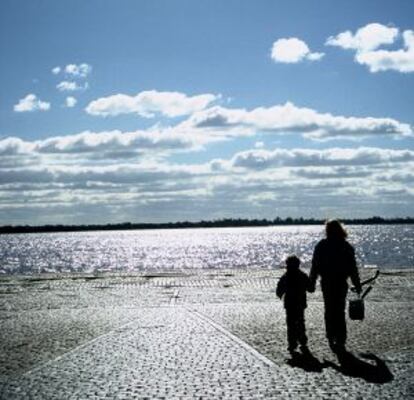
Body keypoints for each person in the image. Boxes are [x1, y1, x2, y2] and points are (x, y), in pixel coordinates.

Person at [310, 219, 362, 355]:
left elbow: (315, 266)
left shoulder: (321, 245)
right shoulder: (346, 246)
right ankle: (341, 338)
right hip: (340, 282)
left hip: (327, 282)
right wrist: (357, 284)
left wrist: (311, 282)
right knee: (339, 311)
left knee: (329, 310)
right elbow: (353, 269)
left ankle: (331, 335)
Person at [277, 255, 313, 356]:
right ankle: (302, 340)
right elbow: (310, 288)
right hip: (300, 302)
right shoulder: (302, 275)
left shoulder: (286, 276)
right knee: (300, 322)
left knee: (291, 323)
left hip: (290, 303)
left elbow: (280, 288)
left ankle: (292, 343)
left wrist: (280, 294)